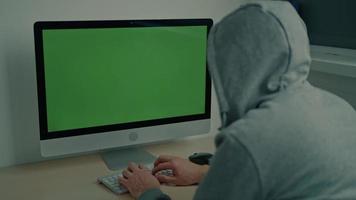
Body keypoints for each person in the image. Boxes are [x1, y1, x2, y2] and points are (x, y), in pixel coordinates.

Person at [119, 1, 356, 199]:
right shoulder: (342, 110)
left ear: (234, 64)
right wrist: (205, 173)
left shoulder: (249, 140)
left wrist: (148, 192)